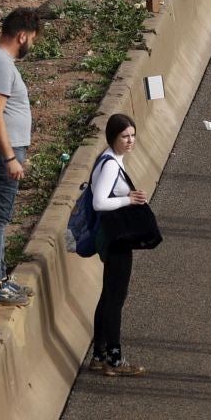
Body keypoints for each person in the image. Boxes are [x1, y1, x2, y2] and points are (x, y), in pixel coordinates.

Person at [0, 7, 42, 304]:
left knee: (0, 215)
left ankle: (0, 278)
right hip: (1, 152)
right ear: (22, 35)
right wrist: (10, 157)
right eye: (33, 40)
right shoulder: (0, 64)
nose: (32, 46)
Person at [89, 112, 150, 377]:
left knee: (108, 296)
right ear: (112, 137)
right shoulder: (111, 164)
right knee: (115, 298)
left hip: (114, 237)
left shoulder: (110, 159)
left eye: (133, 135)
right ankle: (114, 359)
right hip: (116, 238)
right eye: (124, 136)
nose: (129, 141)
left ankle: (99, 354)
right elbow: (99, 202)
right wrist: (130, 200)